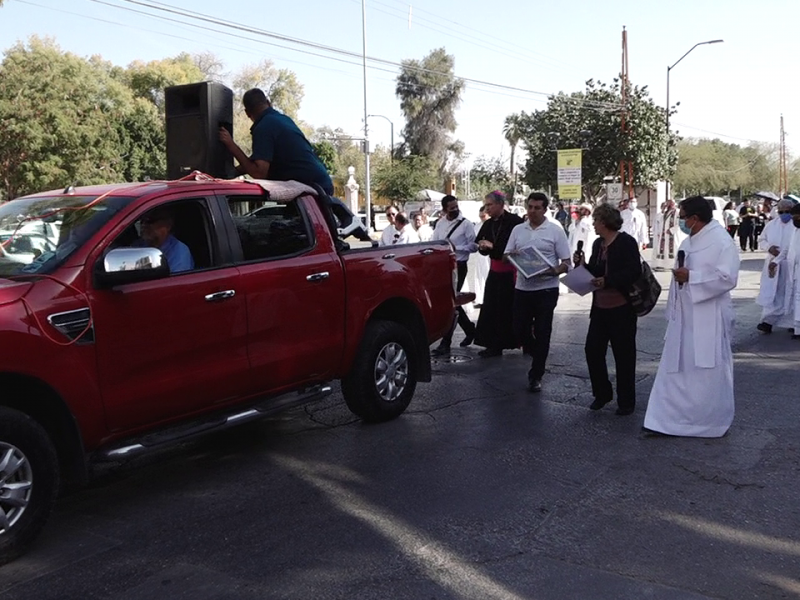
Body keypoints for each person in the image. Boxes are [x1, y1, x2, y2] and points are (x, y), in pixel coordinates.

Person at [643, 196, 740, 438]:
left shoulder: (721, 241)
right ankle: (665, 420)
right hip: (684, 316)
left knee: (705, 369)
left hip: (709, 316)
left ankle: (708, 422)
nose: (681, 221)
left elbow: (728, 278)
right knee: (675, 367)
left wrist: (693, 278)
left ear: (696, 218)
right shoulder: (689, 240)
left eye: (684, 217)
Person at [575, 204, 642, 415]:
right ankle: (602, 393)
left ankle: (626, 401)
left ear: (604, 222)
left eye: (595, 221)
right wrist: (584, 266)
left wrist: (608, 281)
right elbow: (596, 270)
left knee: (624, 355)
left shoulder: (626, 243)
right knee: (592, 350)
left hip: (621, 308)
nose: (593, 225)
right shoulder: (598, 244)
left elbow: (633, 271)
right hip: (600, 308)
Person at [506, 192, 571, 392]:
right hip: (523, 288)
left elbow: (566, 263)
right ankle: (537, 351)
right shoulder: (518, 229)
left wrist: (554, 271)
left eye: (537, 208)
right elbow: (506, 254)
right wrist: (514, 257)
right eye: (530, 207)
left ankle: (536, 375)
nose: (532, 211)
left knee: (543, 331)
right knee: (519, 329)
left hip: (546, 289)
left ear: (545, 209)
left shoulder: (555, 230)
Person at [218, 89, 333, 195]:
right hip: (322, 184)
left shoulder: (264, 127)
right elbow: (258, 161)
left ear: (247, 113)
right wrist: (230, 173)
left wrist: (231, 145)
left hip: (313, 191)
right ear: (268, 103)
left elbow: (259, 173)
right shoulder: (283, 119)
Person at [474, 190, 524, 357]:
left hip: (511, 273)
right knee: (492, 310)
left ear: (501, 204)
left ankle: (524, 341)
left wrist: (493, 247)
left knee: (510, 310)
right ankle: (493, 345)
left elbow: (515, 249)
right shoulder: (488, 224)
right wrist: (483, 247)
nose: (487, 209)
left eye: (490, 205)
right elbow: (481, 245)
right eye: (486, 205)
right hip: (494, 272)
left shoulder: (515, 222)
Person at [431, 195, 477, 356]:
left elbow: (474, 246)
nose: (455, 210)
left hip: (459, 265)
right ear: (444, 210)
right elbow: (434, 241)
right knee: (451, 301)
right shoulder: (440, 223)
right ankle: (470, 329)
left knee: (450, 302)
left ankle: (446, 342)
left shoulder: (466, 224)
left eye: (456, 206)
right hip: (443, 265)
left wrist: (457, 248)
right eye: (451, 208)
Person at [757, 199, 795, 334]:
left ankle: (793, 323)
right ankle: (767, 322)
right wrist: (769, 248)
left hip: (790, 265)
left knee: (791, 292)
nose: (784, 214)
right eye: (781, 212)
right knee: (773, 293)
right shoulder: (771, 225)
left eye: (787, 212)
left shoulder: (796, 225)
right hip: (773, 264)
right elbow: (761, 240)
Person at [771, 203, 800, 340]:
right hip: (794, 271)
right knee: (796, 298)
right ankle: (797, 329)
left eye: (797, 218)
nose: (795, 221)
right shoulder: (795, 232)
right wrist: (775, 261)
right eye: (794, 218)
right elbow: (786, 250)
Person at [135, 208, 194, 273]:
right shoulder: (138, 245)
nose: (143, 225)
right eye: (142, 221)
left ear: (168, 225)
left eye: (150, 221)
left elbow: (176, 282)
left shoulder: (180, 252)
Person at [652, 199, 686, 270]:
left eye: (669, 203)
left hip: (672, 235)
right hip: (664, 235)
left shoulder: (677, 212)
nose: (668, 205)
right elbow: (659, 220)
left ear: (673, 204)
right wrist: (663, 210)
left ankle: (672, 265)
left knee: (672, 249)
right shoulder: (665, 212)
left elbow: (679, 223)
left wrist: (671, 230)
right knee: (663, 250)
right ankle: (662, 264)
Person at [468, 206, 490, 308]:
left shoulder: (491, 225)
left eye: (484, 216)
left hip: (488, 257)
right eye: (480, 216)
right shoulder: (477, 226)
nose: (482, 218)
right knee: (478, 277)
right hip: (478, 256)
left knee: (487, 276)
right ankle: (480, 298)